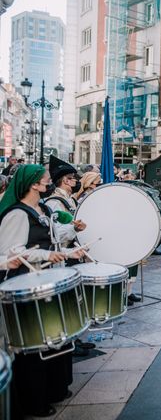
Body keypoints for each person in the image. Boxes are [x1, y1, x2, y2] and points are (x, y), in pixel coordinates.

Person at [0, 165, 85, 418]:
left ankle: (54, 389)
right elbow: (11, 252)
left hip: (46, 280)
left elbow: (53, 238)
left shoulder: (44, 209)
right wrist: (48, 254)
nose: (50, 181)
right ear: (33, 185)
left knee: (53, 339)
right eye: (46, 179)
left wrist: (70, 247)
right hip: (26, 286)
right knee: (34, 343)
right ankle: (33, 400)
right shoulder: (16, 214)